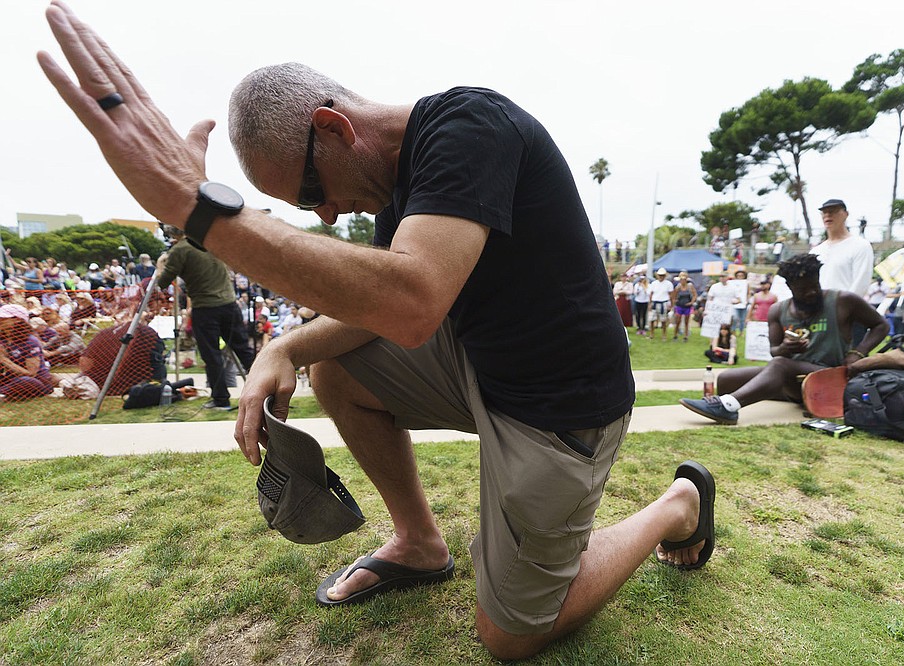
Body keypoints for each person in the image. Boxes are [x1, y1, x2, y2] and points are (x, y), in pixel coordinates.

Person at [39, 10, 716, 659]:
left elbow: (412, 302)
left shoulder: (470, 126)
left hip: (560, 407)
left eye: (311, 194)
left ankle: (675, 506)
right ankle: (420, 543)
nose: (328, 215)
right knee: (337, 367)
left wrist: (203, 213)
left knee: (512, 636)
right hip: (486, 370)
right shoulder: (399, 192)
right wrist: (286, 348)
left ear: (333, 128)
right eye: (308, 209)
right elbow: (375, 310)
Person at [679, 254, 888, 425]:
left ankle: (730, 407)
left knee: (779, 365)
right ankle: (732, 399)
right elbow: (775, 351)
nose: (811, 292)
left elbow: (881, 325)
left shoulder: (842, 300)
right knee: (726, 380)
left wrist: (858, 352)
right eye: (803, 289)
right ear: (790, 287)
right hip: (795, 379)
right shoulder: (778, 310)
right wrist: (786, 348)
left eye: (814, 285)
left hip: (829, 377)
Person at [156, 225, 256, 410]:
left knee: (212, 356)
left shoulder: (180, 250)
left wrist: (161, 265)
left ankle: (221, 399)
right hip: (229, 305)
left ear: (171, 234)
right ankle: (267, 393)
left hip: (205, 308)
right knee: (244, 351)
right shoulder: (210, 242)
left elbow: (162, 282)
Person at [809, 199, 874, 298]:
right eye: (824, 212)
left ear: (846, 214)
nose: (828, 215)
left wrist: (843, 308)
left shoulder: (860, 246)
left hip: (848, 309)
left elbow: (861, 284)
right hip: (818, 310)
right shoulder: (815, 252)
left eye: (833, 211)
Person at [0, 304, 53, 400]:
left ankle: (3, 393)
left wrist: (4, 359)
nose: (0, 320)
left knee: (27, 381)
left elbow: (31, 373)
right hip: (10, 378)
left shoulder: (30, 341)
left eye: (3, 318)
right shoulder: (3, 339)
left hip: (36, 380)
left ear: (18, 320)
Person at [648, 268, 673, 340]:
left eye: (662, 275)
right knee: (652, 320)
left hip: (664, 302)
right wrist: (650, 304)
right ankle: (651, 334)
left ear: (665, 276)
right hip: (655, 302)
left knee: (663, 321)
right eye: (659, 275)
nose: (661, 276)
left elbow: (671, 295)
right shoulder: (654, 283)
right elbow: (651, 294)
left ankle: (664, 335)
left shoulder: (668, 284)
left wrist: (671, 305)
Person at [672, 271, 697, 341]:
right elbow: (673, 295)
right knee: (678, 321)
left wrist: (691, 302)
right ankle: (675, 335)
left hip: (687, 306)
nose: (682, 280)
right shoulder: (678, 287)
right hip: (679, 305)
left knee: (686, 322)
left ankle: (685, 336)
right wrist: (674, 301)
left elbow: (695, 295)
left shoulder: (690, 286)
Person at [730, 269, 749, 335]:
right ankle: (733, 331)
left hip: (744, 304)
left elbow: (748, 293)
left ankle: (741, 331)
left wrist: (747, 300)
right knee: (735, 318)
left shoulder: (746, 283)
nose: (740, 277)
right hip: (735, 303)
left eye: (741, 276)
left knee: (742, 319)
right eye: (738, 276)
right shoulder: (732, 283)